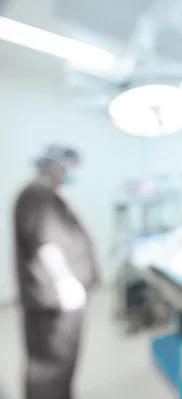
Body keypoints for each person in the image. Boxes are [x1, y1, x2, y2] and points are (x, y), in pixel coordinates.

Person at [13, 145, 99, 399]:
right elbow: (45, 241)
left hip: (55, 300)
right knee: (50, 367)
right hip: (55, 302)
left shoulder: (45, 195)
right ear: (56, 165)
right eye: (70, 167)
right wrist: (66, 283)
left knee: (59, 367)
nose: (71, 173)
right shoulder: (36, 194)